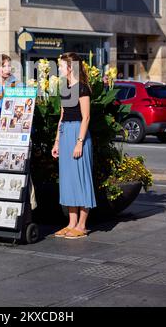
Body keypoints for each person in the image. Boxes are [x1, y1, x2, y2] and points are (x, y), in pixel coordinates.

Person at [52, 52, 96, 239]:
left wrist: (79, 142)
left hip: (79, 134)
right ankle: (71, 223)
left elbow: (86, 117)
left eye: (61, 66)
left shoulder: (83, 88)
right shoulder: (64, 87)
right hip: (65, 133)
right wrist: (57, 142)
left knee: (81, 178)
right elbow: (62, 116)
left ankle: (82, 225)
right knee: (69, 179)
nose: (59, 68)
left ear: (70, 67)